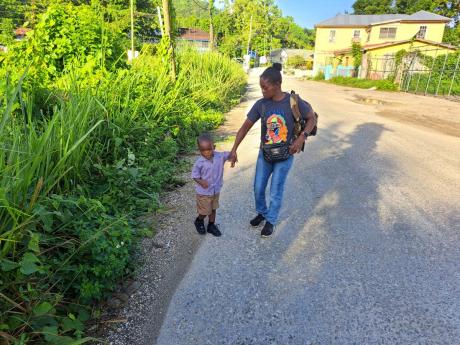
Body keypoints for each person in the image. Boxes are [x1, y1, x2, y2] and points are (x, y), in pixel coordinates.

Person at [228, 63, 317, 238]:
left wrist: (301, 138)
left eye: (265, 87)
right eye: (261, 87)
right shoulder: (261, 104)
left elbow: (311, 118)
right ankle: (262, 212)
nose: (262, 91)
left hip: (286, 154)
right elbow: (244, 127)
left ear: (277, 85)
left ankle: (271, 220)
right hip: (265, 154)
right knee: (258, 187)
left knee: (276, 189)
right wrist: (234, 149)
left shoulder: (293, 101)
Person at [191, 133, 230, 237]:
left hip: (215, 190)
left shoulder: (219, 156)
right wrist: (201, 181)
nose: (206, 152)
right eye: (203, 150)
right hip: (203, 193)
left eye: (209, 149)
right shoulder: (199, 162)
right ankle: (199, 221)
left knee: (213, 209)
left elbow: (229, 154)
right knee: (204, 211)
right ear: (199, 150)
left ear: (214, 147)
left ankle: (211, 226)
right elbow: (194, 175)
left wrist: (234, 156)